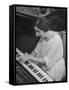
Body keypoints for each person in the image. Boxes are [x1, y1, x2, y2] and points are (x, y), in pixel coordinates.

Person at [24, 16, 66, 81]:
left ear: (46, 30)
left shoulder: (56, 41)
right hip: (43, 62)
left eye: (38, 31)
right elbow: (36, 50)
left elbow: (46, 61)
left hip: (53, 68)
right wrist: (30, 56)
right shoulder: (44, 36)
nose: (36, 34)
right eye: (35, 31)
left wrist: (30, 58)